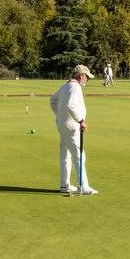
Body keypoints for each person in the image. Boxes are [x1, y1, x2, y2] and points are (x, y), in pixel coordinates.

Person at [49, 64, 98, 195]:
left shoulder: (65, 85)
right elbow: (70, 105)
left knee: (65, 155)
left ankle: (65, 185)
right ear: (81, 75)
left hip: (62, 125)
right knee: (79, 155)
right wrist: (80, 120)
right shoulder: (75, 87)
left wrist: (60, 115)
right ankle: (83, 186)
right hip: (71, 127)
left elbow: (53, 101)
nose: (87, 79)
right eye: (86, 76)